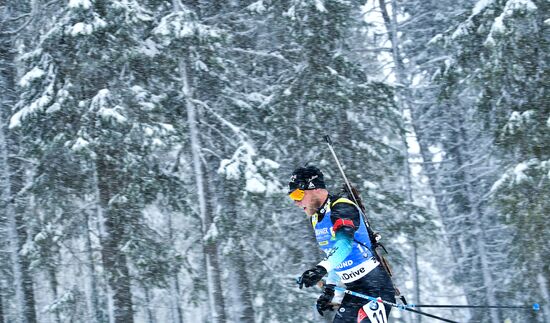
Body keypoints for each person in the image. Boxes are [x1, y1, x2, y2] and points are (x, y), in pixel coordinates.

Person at [288, 165, 395, 322]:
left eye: (298, 194)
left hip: (375, 288)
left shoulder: (341, 207)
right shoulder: (316, 219)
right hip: (355, 290)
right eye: (292, 197)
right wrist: (329, 289)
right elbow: (335, 255)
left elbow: (345, 245)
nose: (296, 202)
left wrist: (320, 269)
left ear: (315, 188)